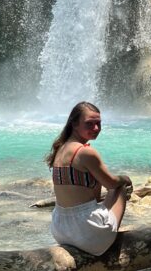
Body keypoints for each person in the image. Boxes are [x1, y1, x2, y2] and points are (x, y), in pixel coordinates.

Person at [45, 101, 133, 255]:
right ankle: (108, 240)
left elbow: (94, 196)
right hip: (87, 234)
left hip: (60, 230)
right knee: (120, 188)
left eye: (98, 123)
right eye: (89, 124)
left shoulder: (61, 147)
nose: (96, 128)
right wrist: (124, 178)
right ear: (74, 124)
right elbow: (112, 184)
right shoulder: (85, 152)